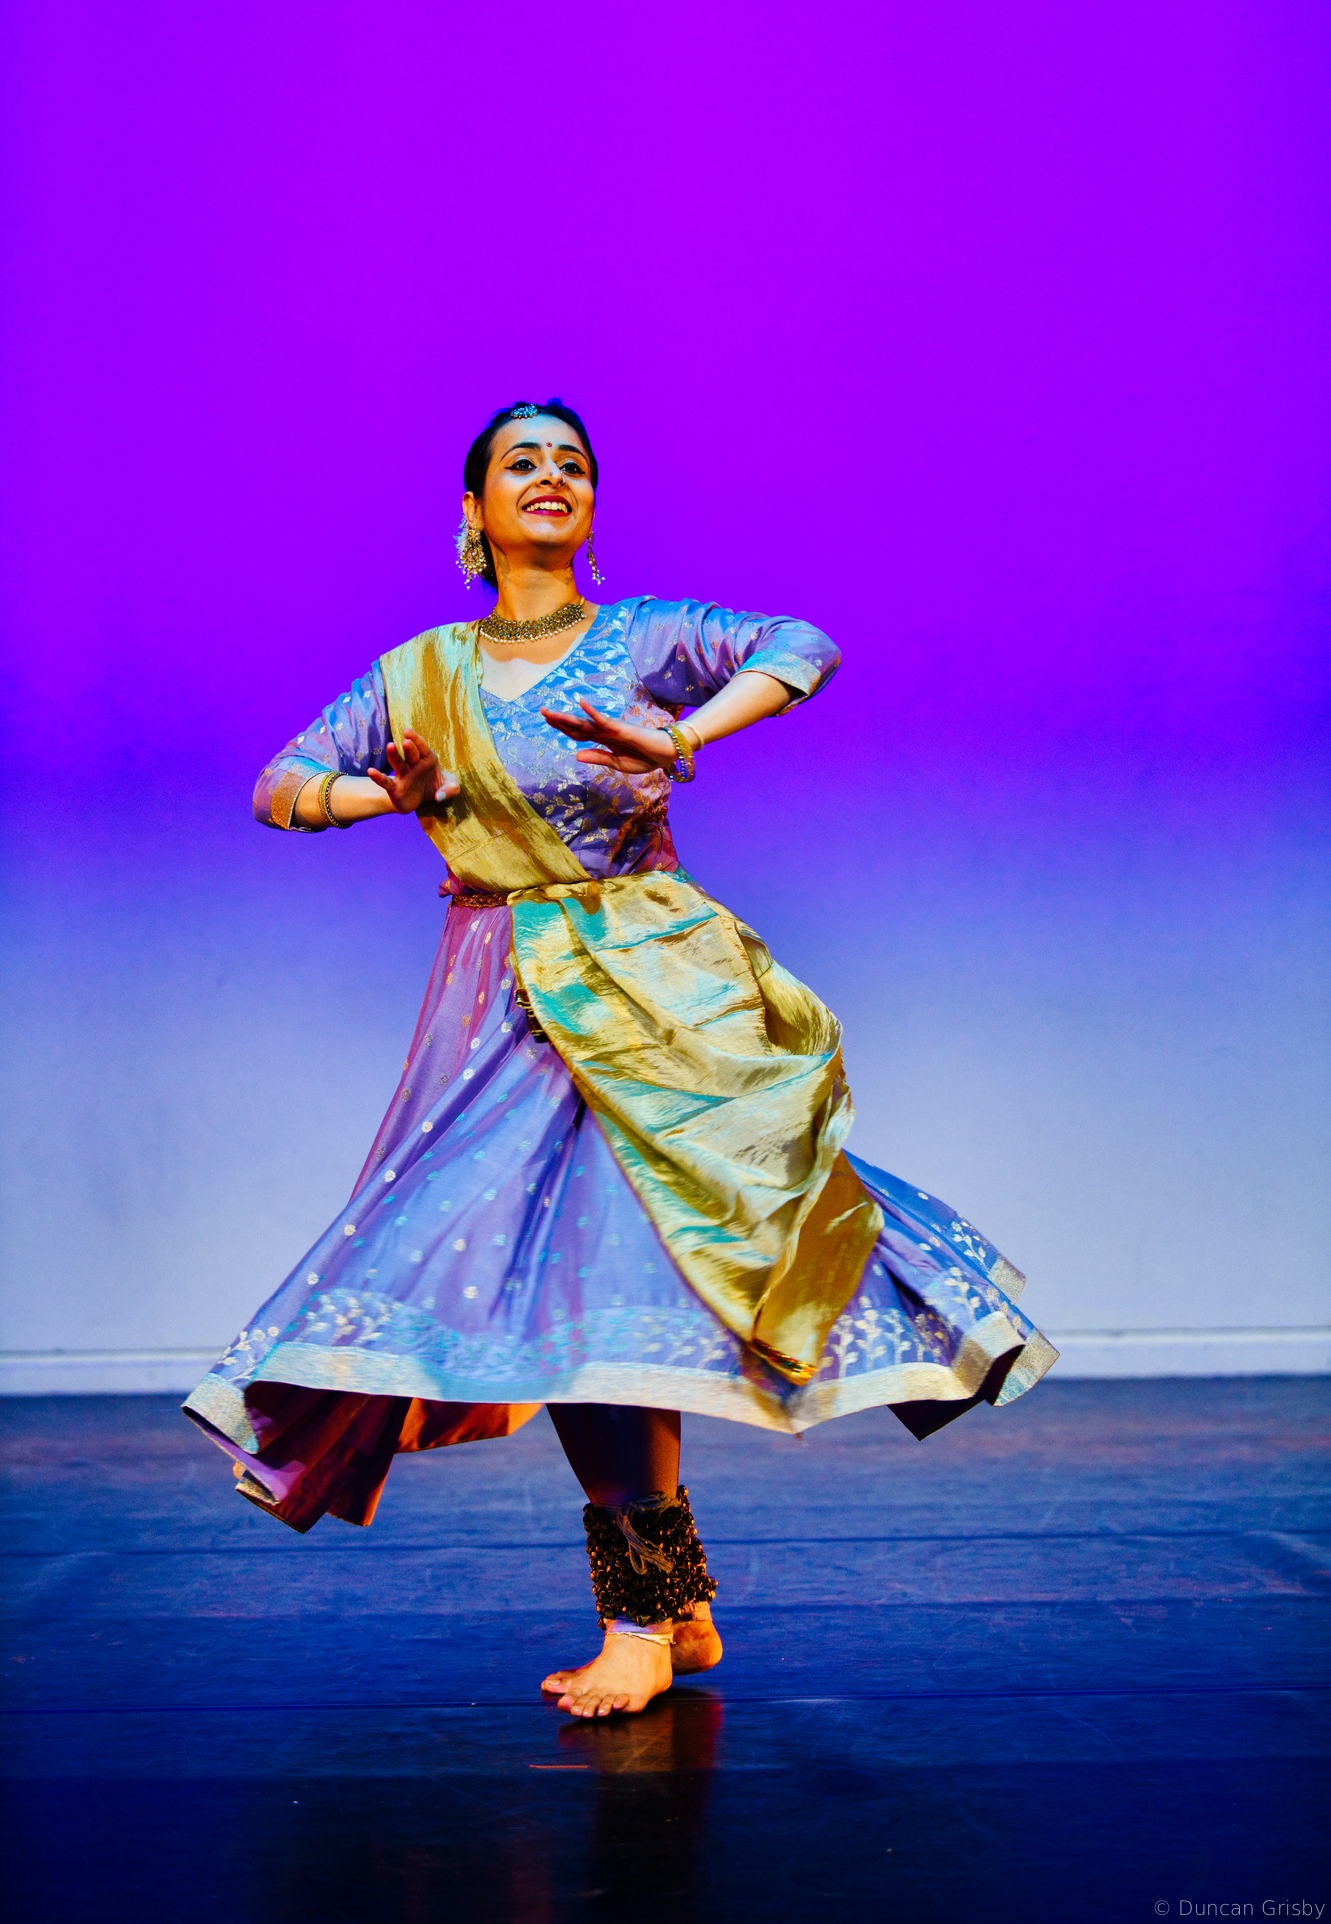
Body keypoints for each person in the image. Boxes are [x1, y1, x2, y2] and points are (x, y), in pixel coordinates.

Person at [184, 399, 1056, 1719]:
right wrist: (384, 794)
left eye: (574, 464)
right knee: (567, 1307)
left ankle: (643, 1622)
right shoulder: (419, 674)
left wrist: (683, 736)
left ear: (593, 504)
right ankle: (675, 1611)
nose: (552, 476)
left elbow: (801, 645)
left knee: (612, 1295)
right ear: (473, 510)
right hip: (503, 1012)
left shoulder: (639, 638)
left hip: (650, 999)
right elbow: (280, 785)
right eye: (521, 462)